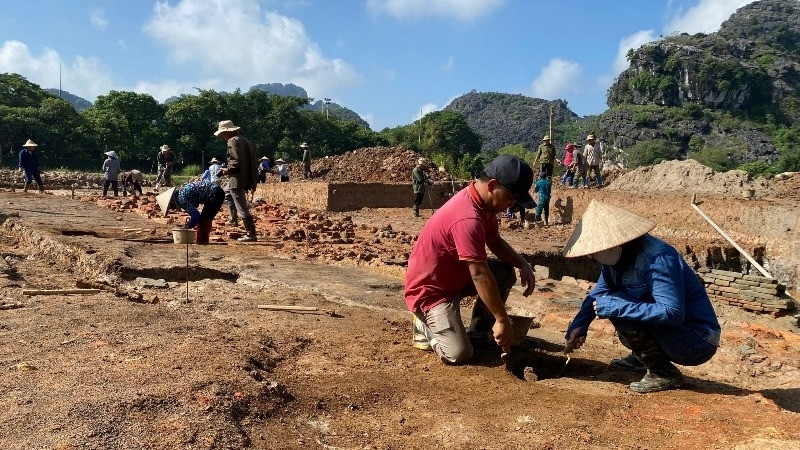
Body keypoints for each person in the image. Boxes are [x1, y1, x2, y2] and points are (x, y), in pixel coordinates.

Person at [562, 200, 721, 393]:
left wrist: (617, 307)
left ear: (611, 246)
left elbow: (672, 312)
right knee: (614, 300)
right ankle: (644, 356)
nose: (591, 258)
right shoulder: (617, 259)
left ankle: (663, 372)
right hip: (677, 333)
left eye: (593, 253)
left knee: (617, 304)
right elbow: (599, 293)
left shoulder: (657, 259)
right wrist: (580, 324)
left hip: (697, 340)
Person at [404, 154, 537, 365]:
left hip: (454, 276)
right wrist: (502, 320)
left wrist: (522, 263)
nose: (511, 205)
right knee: (458, 354)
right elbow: (479, 274)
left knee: (504, 271)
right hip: (431, 291)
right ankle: (426, 326)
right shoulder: (468, 217)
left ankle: (478, 331)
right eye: (510, 198)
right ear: (493, 185)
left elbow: (494, 240)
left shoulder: (485, 206)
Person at [215, 120, 258, 242]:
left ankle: (251, 233)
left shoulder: (232, 141)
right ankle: (233, 219)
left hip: (237, 178)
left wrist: (225, 171)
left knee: (241, 205)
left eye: (222, 134)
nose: (222, 137)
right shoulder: (245, 140)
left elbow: (235, 162)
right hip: (245, 176)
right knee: (226, 192)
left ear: (228, 132)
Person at [157, 181, 225, 245]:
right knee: (206, 217)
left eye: (170, 207)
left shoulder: (180, 199)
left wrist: (187, 228)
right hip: (216, 192)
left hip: (214, 194)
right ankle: (203, 240)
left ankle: (202, 241)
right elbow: (194, 210)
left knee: (204, 219)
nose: (172, 209)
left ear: (171, 201)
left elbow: (196, 215)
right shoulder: (182, 192)